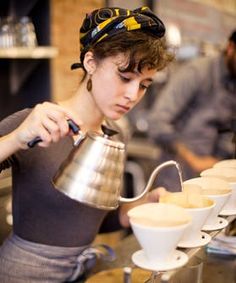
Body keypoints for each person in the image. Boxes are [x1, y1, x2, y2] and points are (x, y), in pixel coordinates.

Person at [0, 6, 172, 283]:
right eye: (125, 77)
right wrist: (17, 137)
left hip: (83, 273)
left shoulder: (115, 133)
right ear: (90, 62)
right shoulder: (35, 122)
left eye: (144, 85)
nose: (132, 95)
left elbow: (91, 216)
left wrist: (136, 208)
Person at [147, 30, 236, 191]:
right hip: (175, 176)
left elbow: (226, 128)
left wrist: (218, 160)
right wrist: (192, 158)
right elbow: (157, 121)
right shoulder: (197, 72)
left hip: (209, 179)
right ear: (230, 48)